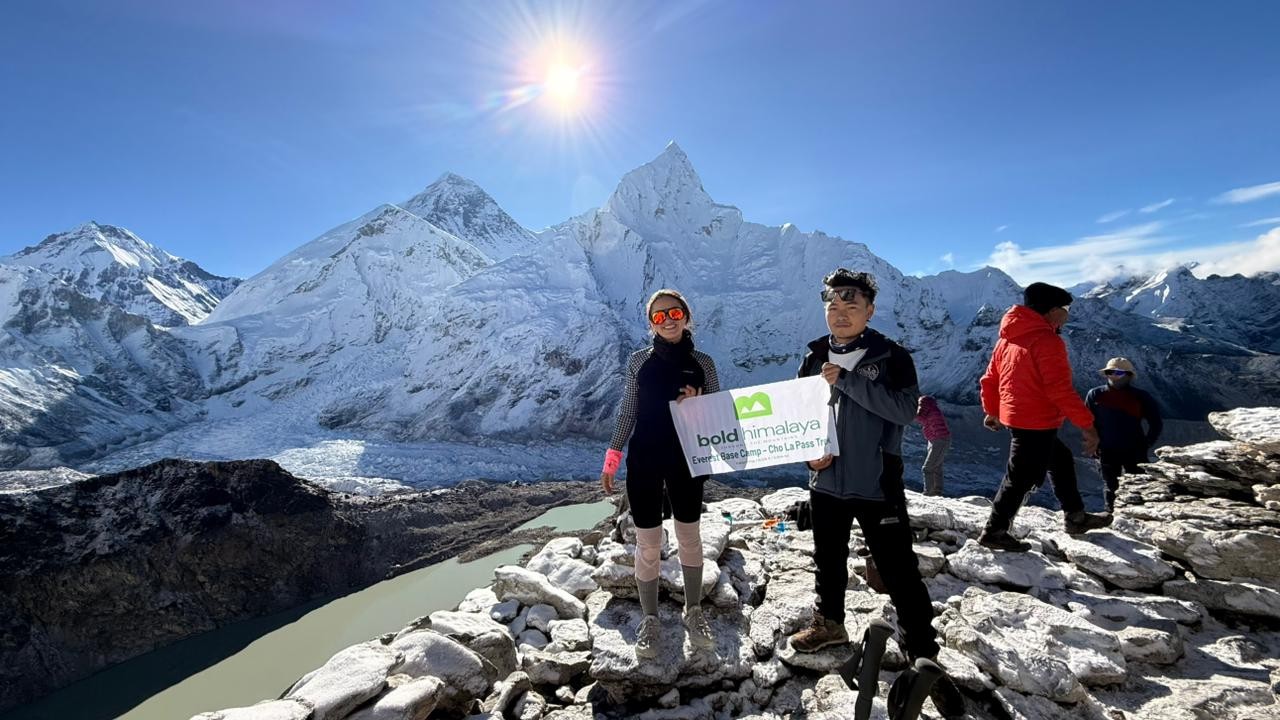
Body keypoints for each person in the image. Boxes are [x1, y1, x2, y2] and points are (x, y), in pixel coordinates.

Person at [786, 268, 965, 717]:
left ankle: (923, 654)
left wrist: (846, 380)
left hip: (876, 481)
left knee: (898, 568)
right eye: (833, 306)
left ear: (869, 310)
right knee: (828, 557)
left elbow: (905, 410)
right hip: (825, 482)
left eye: (851, 306)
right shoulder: (812, 356)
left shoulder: (892, 357)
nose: (840, 314)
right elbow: (799, 418)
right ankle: (829, 623)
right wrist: (811, 456)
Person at [600, 289, 720, 659]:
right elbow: (628, 411)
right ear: (650, 322)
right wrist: (613, 455)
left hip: (688, 459)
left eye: (674, 312)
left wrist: (698, 404)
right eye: (658, 316)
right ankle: (650, 617)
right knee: (648, 542)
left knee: (689, 536)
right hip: (646, 458)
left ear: (686, 315)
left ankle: (694, 609)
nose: (667, 320)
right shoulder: (639, 362)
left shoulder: (703, 363)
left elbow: (717, 416)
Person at [976, 282, 1111, 552]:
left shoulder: (1008, 338)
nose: (1068, 315)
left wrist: (992, 410)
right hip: (1036, 422)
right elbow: (1059, 390)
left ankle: (1075, 516)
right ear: (1051, 311)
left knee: (1059, 460)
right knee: (1020, 478)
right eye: (1065, 309)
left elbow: (990, 379)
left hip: (1018, 417)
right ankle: (994, 531)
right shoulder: (1048, 341)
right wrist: (1088, 425)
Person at [1086, 357, 1163, 513]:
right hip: (1106, 450)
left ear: (1128, 375)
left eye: (1118, 372)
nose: (1113, 375)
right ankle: (1111, 515)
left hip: (1134, 450)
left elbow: (1156, 423)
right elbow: (1087, 422)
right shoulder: (1095, 394)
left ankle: (1140, 515)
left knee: (1139, 485)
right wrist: (1092, 443)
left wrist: (1146, 444)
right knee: (1110, 486)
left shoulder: (1141, 397)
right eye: (1110, 372)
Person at [914, 395, 951, 496]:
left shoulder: (932, 412)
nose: (920, 407)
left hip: (940, 441)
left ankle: (929, 492)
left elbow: (921, 418)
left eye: (921, 405)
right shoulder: (932, 410)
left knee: (927, 468)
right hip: (936, 440)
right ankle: (937, 491)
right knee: (937, 467)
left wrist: (911, 408)